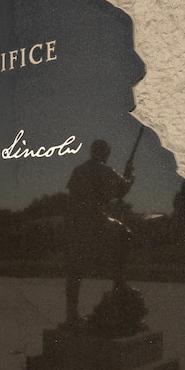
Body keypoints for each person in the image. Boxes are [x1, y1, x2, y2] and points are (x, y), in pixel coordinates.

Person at [64, 139, 134, 325]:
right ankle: (119, 284)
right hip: (96, 220)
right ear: (105, 154)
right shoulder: (106, 171)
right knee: (125, 233)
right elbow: (123, 188)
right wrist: (130, 173)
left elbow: (71, 199)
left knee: (75, 269)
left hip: (76, 223)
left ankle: (71, 313)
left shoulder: (78, 170)